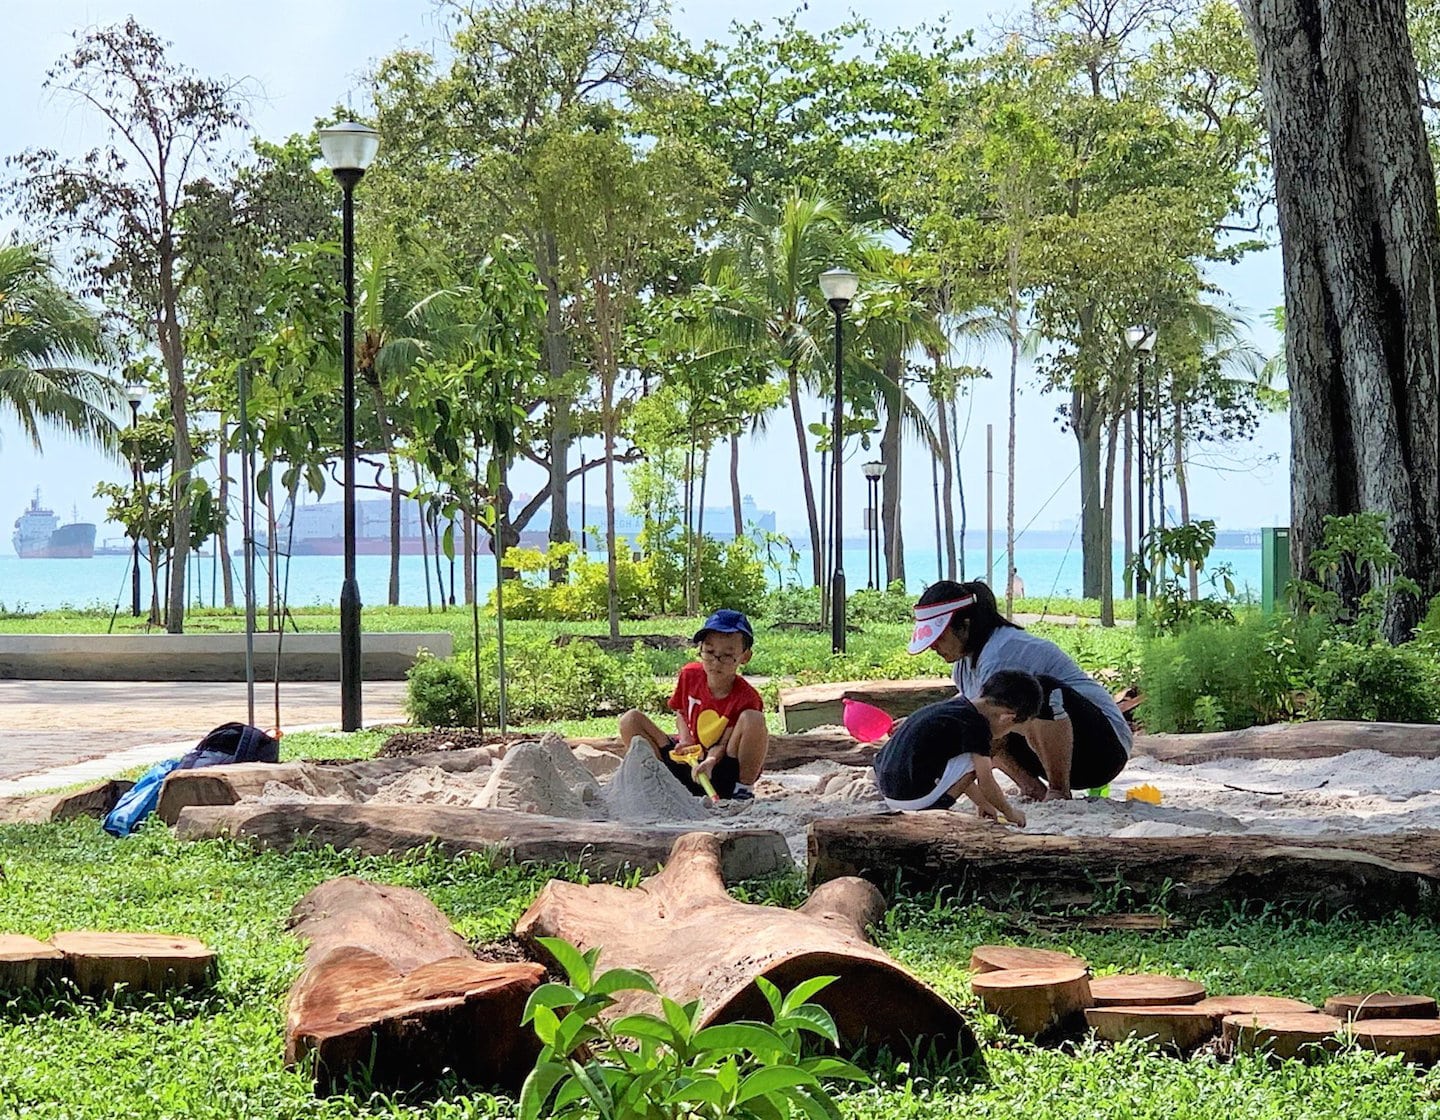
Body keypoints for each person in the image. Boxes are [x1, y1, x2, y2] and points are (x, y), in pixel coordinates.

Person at [907, 579, 1131, 800]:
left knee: (1030, 693)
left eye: (940, 637)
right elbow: (966, 712)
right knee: (977, 719)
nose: (933, 646)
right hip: (1051, 752)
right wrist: (916, 722)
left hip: (1103, 749)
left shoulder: (1001, 652)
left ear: (965, 626)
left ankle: (1057, 790)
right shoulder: (964, 665)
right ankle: (1032, 788)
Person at [618, 608, 769, 801]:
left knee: (753, 719)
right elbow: (681, 712)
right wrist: (686, 739)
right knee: (630, 720)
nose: (716, 662)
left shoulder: (747, 697)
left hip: (721, 771)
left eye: (727, 655)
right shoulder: (689, 675)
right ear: (700, 649)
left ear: (745, 657)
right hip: (685, 762)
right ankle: (660, 781)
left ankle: (743, 790)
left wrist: (710, 761)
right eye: (710, 652)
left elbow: (724, 743)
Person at [873, 669, 1043, 825]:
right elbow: (986, 781)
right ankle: (938, 806)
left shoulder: (953, 707)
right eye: (1012, 730)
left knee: (960, 755)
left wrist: (983, 803)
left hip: (889, 788)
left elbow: (954, 768)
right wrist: (1010, 813)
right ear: (1007, 718)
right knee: (982, 756)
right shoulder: (977, 726)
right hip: (912, 799)